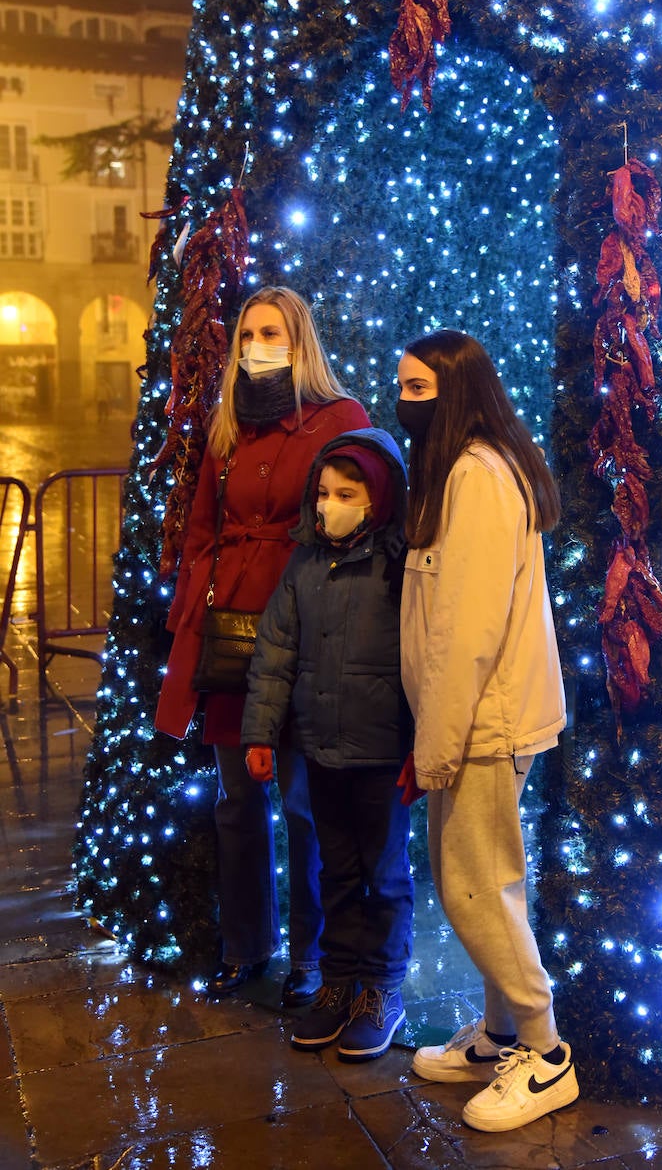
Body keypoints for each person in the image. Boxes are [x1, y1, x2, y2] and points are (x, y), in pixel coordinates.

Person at [154, 287, 370, 1004]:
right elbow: (201, 529)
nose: (256, 345)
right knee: (236, 800)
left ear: (299, 338)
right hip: (229, 637)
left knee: (306, 804)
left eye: (270, 331)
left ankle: (312, 958)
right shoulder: (229, 425)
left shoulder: (341, 420)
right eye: (248, 333)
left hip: (305, 632)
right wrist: (193, 601)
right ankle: (247, 946)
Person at [395, 328, 578, 1133]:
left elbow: (464, 630)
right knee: (489, 878)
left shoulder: (474, 477)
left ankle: (543, 1053)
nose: (402, 404)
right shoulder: (478, 469)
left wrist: (435, 743)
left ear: (457, 394)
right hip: (489, 715)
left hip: (483, 720)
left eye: (417, 392)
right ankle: (500, 1034)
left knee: (474, 887)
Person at [241, 427, 414, 1061]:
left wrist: (423, 744)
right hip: (320, 748)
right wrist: (261, 731)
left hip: (382, 754)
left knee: (385, 875)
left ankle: (382, 989)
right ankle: (339, 983)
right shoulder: (306, 561)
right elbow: (276, 650)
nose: (330, 504)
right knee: (335, 871)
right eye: (323, 492)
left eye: (348, 492)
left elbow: (425, 658)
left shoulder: (401, 565)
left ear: (380, 497)